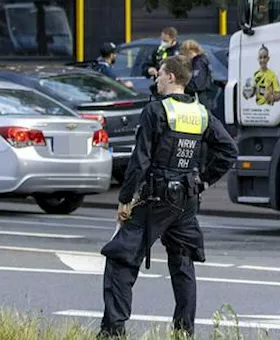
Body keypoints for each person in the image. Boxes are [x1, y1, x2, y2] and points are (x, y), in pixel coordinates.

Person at [98, 55, 238, 339]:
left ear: (172, 77)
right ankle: (184, 332)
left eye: (160, 74)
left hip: (155, 199)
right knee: (183, 264)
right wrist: (204, 181)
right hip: (186, 200)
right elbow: (228, 151)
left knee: (120, 260)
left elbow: (140, 161)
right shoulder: (201, 113)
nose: (157, 79)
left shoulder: (156, 111)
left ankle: (112, 332)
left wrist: (125, 199)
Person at [180, 39, 215, 114]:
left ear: (189, 51)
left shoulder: (198, 62)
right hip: (207, 98)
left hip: (201, 99)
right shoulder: (203, 60)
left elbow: (196, 83)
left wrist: (181, 88)